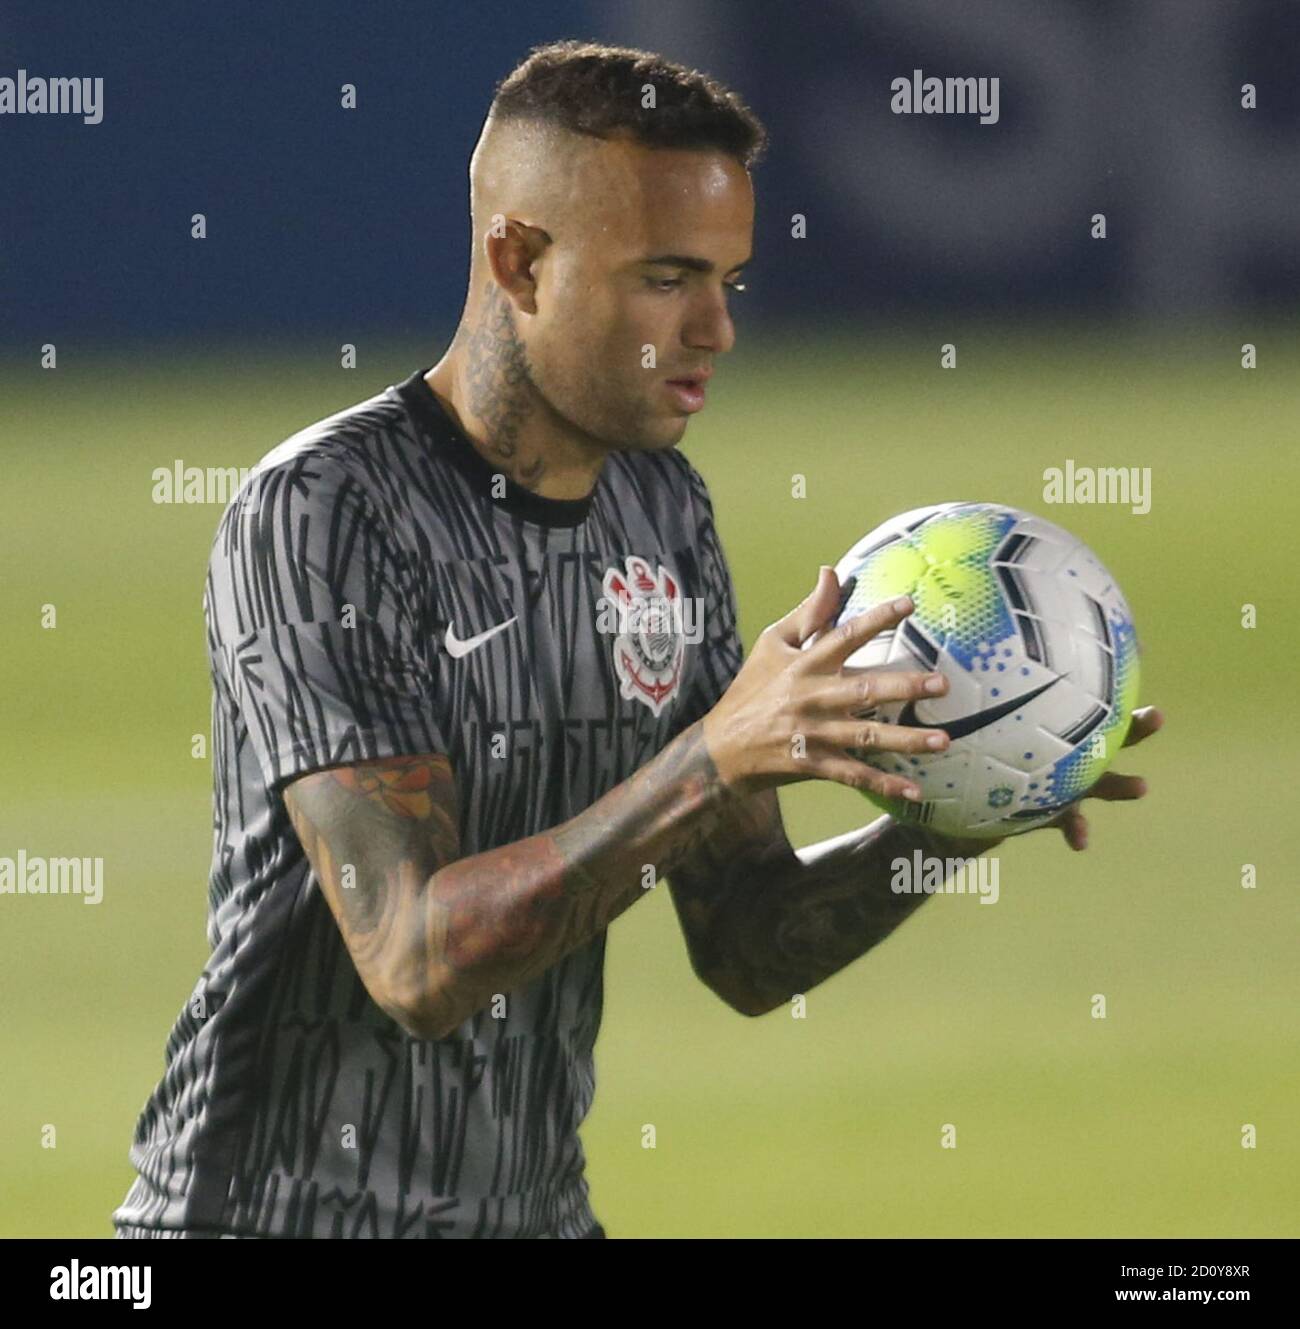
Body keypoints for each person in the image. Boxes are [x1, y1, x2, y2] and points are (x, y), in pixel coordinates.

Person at [113, 39, 1161, 1240]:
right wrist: (714, 753)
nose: (715, 328)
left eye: (733, 280)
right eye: (668, 277)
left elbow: (751, 947)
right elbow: (412, 961)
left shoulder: (663, 512)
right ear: (518, 259)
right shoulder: (326, 510)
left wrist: (965, 804)